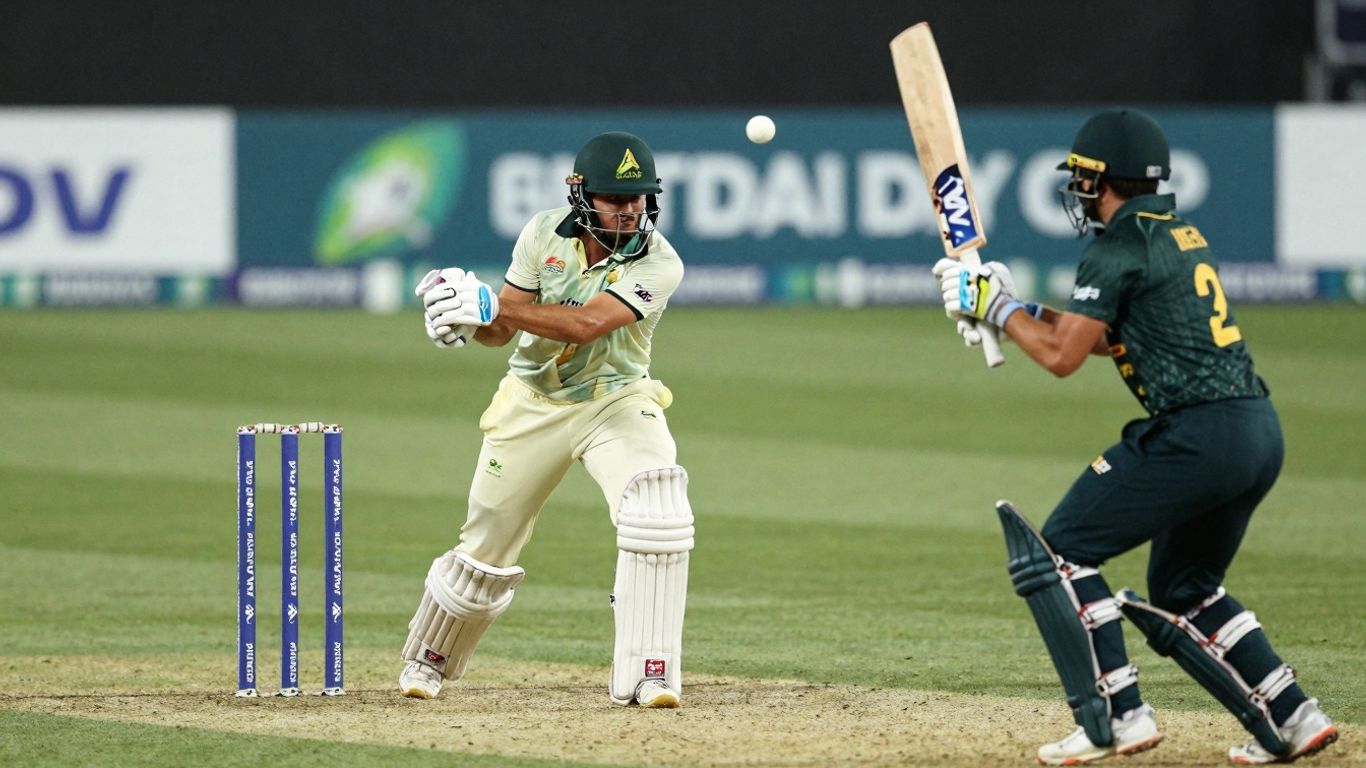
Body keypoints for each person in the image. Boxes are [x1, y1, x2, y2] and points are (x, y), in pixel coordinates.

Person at [933, 109, 1338, 765]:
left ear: (1100, 180)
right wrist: (1013, 306)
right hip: (1257, 432)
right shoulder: (1176, 233)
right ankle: (1296, 716)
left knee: (1061, 550)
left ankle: (1120, 718)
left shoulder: (1116, 248)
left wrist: (996, 308)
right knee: (1185, 586)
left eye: (1082, 179)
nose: (1076, 192)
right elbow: (1096, 338)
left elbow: (1064, 358)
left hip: (1196, 434)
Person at [398, 131, 694, 709]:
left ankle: (649, 672)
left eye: (639, 198)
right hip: (531, 401)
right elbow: (502, 332)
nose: (631, 210)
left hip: (615, 400)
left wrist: (487, 302)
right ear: (581, 194)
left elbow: (586, 324)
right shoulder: (541, 233)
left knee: (658, 508)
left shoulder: (661, 262)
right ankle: (429, 656)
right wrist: (466, 322)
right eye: (616, 198)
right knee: (487, 543)